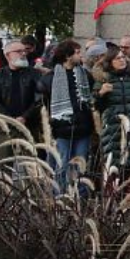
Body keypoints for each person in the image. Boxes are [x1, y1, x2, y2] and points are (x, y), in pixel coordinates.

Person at [38, 40, 95, 192]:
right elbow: (44, 103)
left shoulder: (85, 75)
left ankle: (79, 200)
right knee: (62, 165)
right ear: (67, 56)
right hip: (61, 129)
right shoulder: (49, 78)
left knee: (80, 167)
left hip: (83, 128)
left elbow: (90, 99)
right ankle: (61, 199)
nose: (80, 55)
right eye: (77, 52)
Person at [93, 47, 130, 175]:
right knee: (114, 162)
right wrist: (101, 93)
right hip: (113, 127)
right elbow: (95, 104)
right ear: (110, 61)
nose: (122, 60)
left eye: (123, 57)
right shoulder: (103, 80)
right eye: (117, 58)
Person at [0, 41, 41, 163]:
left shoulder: (35, 74)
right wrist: (11, 119)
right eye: (18, 51)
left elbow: (39, 99)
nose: (23, 54)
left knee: (31, 169)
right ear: (7, 55)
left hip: (29, 127)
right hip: (5, 129)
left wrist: (25, 117)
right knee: (4, 168)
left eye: (24, 51)